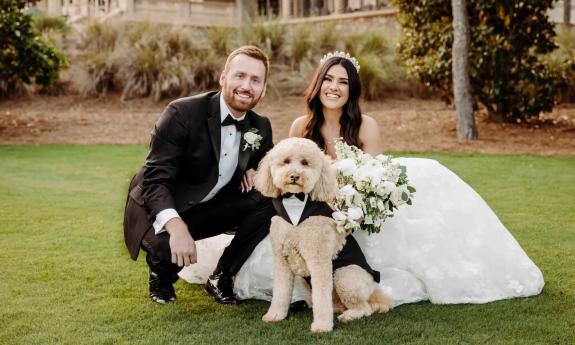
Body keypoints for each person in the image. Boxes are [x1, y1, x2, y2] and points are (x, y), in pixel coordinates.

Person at [179, 52, 544, 306]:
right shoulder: (300, 127)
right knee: (267, 214)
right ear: (318, 85)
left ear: (351, 90)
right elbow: (285, 174)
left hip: (351, 212)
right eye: (328, 80)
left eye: (343, 82)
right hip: (308, 211)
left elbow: (372, 175)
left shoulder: (366, 126)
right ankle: (229, 271)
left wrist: (349, 209)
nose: (334, 87)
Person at [123, 46, 275, 305]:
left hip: (208, 205)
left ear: (263, 89)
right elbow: (155, 179)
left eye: (255, 80)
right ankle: (161, 274)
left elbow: (273, 166)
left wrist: (253, 169)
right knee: (165, 247)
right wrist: (176, 226)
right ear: (223, 78)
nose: (246, 86)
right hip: (157, 203)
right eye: (240, 76)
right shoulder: (182, 113)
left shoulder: (260, 127)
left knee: (270, 198)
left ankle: (222, 275)